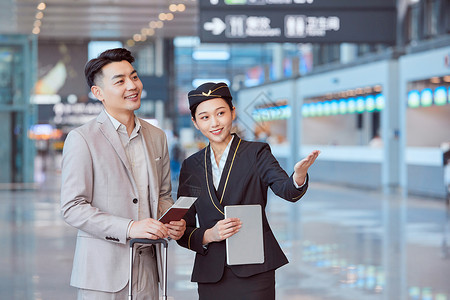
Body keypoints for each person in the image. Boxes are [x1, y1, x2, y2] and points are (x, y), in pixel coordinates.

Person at [60, 48, 186, 300]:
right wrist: (129, 227)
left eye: (134, 77)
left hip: (150, 268)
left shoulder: (156, 136)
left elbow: (162, 194)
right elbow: (72, 207)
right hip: (103, 273)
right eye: (120, 81)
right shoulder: (82, 139)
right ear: (98, 93)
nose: (132, 85)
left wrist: (171, 220)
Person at [176, 82, 320, 300]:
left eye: (221, 113)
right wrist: (209, 235)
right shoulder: (191, 166)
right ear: (195, 123)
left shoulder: (257, 153)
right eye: (204, 117)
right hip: (210, 273)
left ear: (233, 113)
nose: (214, 123)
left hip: (253, 270)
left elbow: (287, 191)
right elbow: (183, 228)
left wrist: (298, 175)